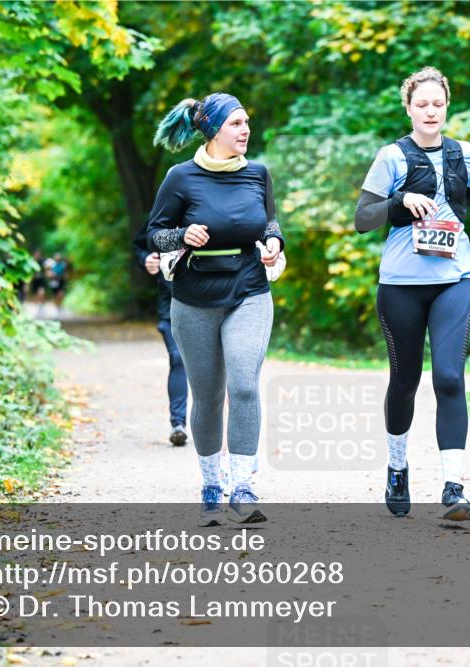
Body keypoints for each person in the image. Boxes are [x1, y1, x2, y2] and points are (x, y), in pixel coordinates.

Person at [355, 66, 470, 521]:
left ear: (447, 105)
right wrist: (399, 203)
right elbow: (363, 218)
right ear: (409, 108)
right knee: (405, 380)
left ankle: (454, 488)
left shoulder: (464, 152)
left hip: (456, 276)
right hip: (401, 284)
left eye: (438, 104)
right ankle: (398, 468)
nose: (431, 111)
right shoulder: (392, 156)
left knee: (450, 378)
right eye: (422, 104)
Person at [146, 92, 283, 526]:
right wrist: (183, 235)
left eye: (247, 123)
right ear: (213, 131)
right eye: (236, 124)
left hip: (249, 290)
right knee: (208, 395)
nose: (246, 131)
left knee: (244, 383)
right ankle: (210, 484)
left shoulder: (258, 174)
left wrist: (275, 243)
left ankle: (242, 485)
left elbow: (270, 223)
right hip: (194, 296)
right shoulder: (180, 177)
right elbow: (155, 234)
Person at [133, 229, 189, 446]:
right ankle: (178, 424)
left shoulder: (213, 204)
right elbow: (142, 242)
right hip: (171, 306)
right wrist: (146, 258)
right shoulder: (167, 204)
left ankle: (217, 430)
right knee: (178, 357)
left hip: (210, 303)